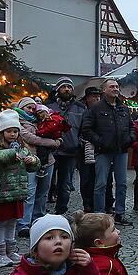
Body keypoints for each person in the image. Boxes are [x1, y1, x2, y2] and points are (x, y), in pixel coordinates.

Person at [0, 110, 40, 268]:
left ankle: (10, 250)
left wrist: (32, 161)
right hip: (3, 191)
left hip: (18, 192)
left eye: (15, 131)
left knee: (12, 222)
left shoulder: (22, 147)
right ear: (2, 131)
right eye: (9, 131)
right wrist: (11, 153)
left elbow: (33, 165)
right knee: (1, 222)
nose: (13, 134)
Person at [80, 79, 134, 223]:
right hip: (103, 151)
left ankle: (119, 213)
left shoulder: (123, 108)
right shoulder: (96, 108)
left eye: (117, 86)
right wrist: (100, 141)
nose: (115, 89)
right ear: (104, 90)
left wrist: (130, 139)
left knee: (122, 183)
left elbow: (131, 126)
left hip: (121, 150)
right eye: (112, 87)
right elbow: (86, 129)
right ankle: (100, 216)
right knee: (101, 183)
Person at [14, 97, 61, 235]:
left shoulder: (42, 119)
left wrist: (58, 139)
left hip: (47, 160)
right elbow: (28, 137)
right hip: (30, 160)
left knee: (43, 192)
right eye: (28, 107)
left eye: (33, 108)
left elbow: (56, 133)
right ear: (21, 108)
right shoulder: (17, 121)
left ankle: (39, 220)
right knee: (30, 192)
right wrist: (52, 142)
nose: (31, 110)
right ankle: (24, 223)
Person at [46, 77, 87, 215]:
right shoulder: (49, 106)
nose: (67, 89)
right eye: (63, 87)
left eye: (69, 87)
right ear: (58, 89)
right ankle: (41, 211)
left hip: (70, 151)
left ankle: (61, 211)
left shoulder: (80, 107)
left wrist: (79, 142)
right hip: (51, 150)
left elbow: (84, 128)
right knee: (46, 183)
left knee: (65, 184)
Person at [77, 87, 102, 214]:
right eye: (94, 96)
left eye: (98, 96)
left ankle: (99, 203)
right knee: (86, 178)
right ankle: (87, 203)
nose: (97, 98)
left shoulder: (102, 110)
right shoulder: (82, 111)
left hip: (100, 148)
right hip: (84, 148)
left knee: (100, 179)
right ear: (87, 98)